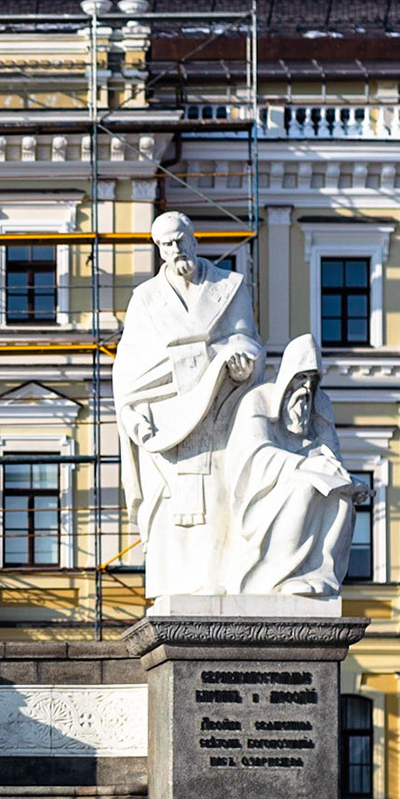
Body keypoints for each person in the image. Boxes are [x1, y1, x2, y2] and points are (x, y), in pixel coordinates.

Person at [113, 213, 263, 596]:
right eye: (166, 244)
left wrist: (242, 359)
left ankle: (218, 581)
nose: (175, 250)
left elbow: (247, 339)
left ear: (194, 239)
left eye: (180, 240)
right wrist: (136, 413)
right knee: (171, 505)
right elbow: (129, 363)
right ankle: (176, 587)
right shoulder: (145, 299)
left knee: (219, 496)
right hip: (166, 416)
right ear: (158, 249)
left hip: (218, 411)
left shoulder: (230, 286)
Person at [223, 335, 362, 596]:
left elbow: (330, 456)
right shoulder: (259, 399)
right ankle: (279, 575)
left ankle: (320, 575)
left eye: (312, 380)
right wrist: (306, 467)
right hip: (263, 491)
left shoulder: (320, 405)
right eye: (301, 378)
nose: (307, 387)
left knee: (341, 497)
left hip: (304, 480)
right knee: (305, 489)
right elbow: (254, 454)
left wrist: (350, 481)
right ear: (288, 375)